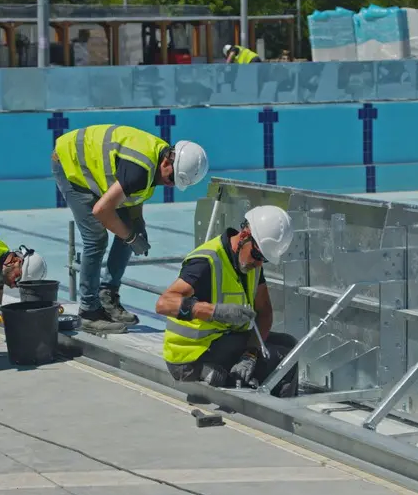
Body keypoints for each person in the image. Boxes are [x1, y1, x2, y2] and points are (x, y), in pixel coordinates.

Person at [53, 125, 209, 334]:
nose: (170, 185)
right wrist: (130, 237)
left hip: (91, 163)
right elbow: (102, 211)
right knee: (96, 238)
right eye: (171, 179)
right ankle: (89, 312)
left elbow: (135, 192)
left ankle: (107, 296)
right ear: (166, 162)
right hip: (69, 161)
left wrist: (137, 224)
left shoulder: (160, 155)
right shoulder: (140, 169)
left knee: (132, 227)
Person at [156, 205, 300, 397]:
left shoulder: (251, 264)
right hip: (191, 355)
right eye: (257, 255)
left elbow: (264, 311)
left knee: (289, 344)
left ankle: (244, 382)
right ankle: (274, 411)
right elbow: (164, 303)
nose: (258, 264)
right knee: (280, 358)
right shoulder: (207, 262)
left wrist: (250, 353)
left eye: (264, 259)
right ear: (244, 236)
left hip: (222, 342)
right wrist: (215, 311)